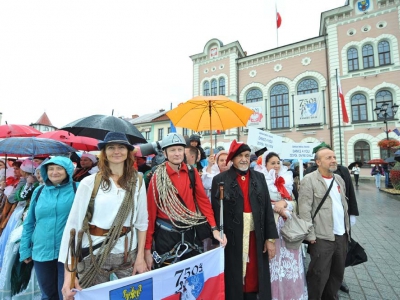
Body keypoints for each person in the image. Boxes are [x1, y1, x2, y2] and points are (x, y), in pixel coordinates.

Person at [60, 132, 148, 298]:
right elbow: (73, 227)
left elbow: (142, 223)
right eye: (111, 147)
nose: (116, 151)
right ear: (104, 153)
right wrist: (69, 276)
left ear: (128, 152)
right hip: (93, 254)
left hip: (127, 255)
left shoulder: (138, 181)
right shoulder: (89, 183)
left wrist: (140, 258)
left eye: (121, 147)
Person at [145, 133, 226, 270]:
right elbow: (150, 213)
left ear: (184, 151)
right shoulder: (157, 176)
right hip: (166, 235)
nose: (177, 154)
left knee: (193, 278)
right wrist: (147, 249)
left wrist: (214, 228)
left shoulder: (191, 172)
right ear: (165, 153)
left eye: (179, 149)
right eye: (172, 150)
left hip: (190, 231)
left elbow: (203, 202)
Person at [211, 140, 278, 300]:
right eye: (240, 155)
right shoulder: (220, 179)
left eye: (247, 156)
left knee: (254, 274)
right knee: (234, 276)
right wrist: (218, 234)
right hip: (232, 238)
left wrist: (270, 239)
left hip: (256, 236)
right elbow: (215, 211)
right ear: (232, 158)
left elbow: (268, 209)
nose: (244, 159)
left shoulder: (260, 178)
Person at [19, 156, 78, 300]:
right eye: (50, 169)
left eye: (59, 168)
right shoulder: (39, 191)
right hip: (41, 250)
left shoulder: (78, 188)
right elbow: (29, 222)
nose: (54, 172)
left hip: (69, 252)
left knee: (66, 294)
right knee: (47, 294)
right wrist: (25, 249)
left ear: (68, 170)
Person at [254, 151, 307, 299]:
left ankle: (291, 294)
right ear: (265, 165)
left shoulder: (287, 179)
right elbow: (258, 204)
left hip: (287, 228)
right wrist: (275, 207)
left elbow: (294, 202)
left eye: (278, 162)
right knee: (273, 262)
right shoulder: (259, 179)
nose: (276, 165)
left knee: (290, 262)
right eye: (272, 163)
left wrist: (285, 203)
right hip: (270, 226)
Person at [299, 147, 350, 299]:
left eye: (334, 157)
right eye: (328, 158)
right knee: (318, 275)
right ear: (318, 162)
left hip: (341, 236)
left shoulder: (339, 179)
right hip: (321, 236)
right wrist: (310, 234)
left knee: (337, 273)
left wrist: (348, 231)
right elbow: (304, 210)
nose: (333, 160)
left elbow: (343, 205)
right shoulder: (309, 180)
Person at [0, 159, 39, 270]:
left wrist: (28, 184)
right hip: (19, 211)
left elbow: (14, 198)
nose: (15, 171)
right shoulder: (22, 181)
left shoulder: (24, 182)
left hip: (21, 212)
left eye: (18, 169)